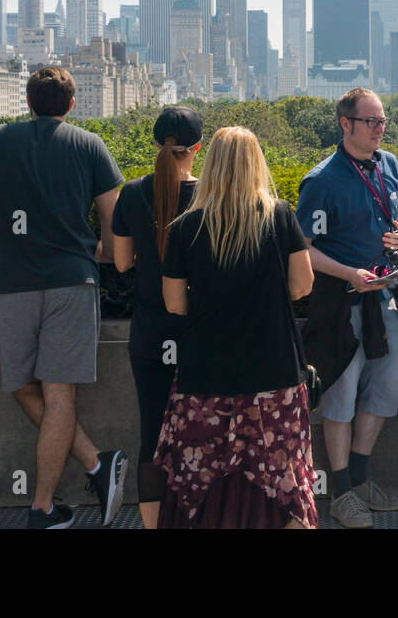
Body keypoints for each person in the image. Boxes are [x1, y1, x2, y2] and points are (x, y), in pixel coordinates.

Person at [0, 66, 126, 529]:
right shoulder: (89, 144)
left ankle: (50, 501)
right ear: (72, 105)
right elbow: (111, 216)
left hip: (10, 281)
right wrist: (108, 254)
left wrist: (6, 249)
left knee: (23, 386)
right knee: (57, 394)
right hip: (72, 282)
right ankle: (94, 466)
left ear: (29, 101)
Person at [156, 126, 317, 529]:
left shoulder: (184, 228)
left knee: (201, 475)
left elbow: (174, 303)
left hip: (205, 372)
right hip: (273, 371)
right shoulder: (279, 217)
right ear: (256, 164)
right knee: (283, 477)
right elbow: (303, 285)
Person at [297, 88, 398, 529]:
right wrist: (349, 273)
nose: (378, 129)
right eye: (370, 121)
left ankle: (362, 477)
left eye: (382, 121)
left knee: (383, 393)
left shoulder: (390, 164)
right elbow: (304, 251)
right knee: (340, 398)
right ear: (345, 124)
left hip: (387, 298)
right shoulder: (321, 180)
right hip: (341, 301)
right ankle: (341, 492)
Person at [111, 106, 203, 529]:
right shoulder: (208, 196)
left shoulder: (132, 193)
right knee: (203, 435)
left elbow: (122, 262)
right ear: (197, 148)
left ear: (155, 145)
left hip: (149, 336)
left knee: (153, 436)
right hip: (201, 336)